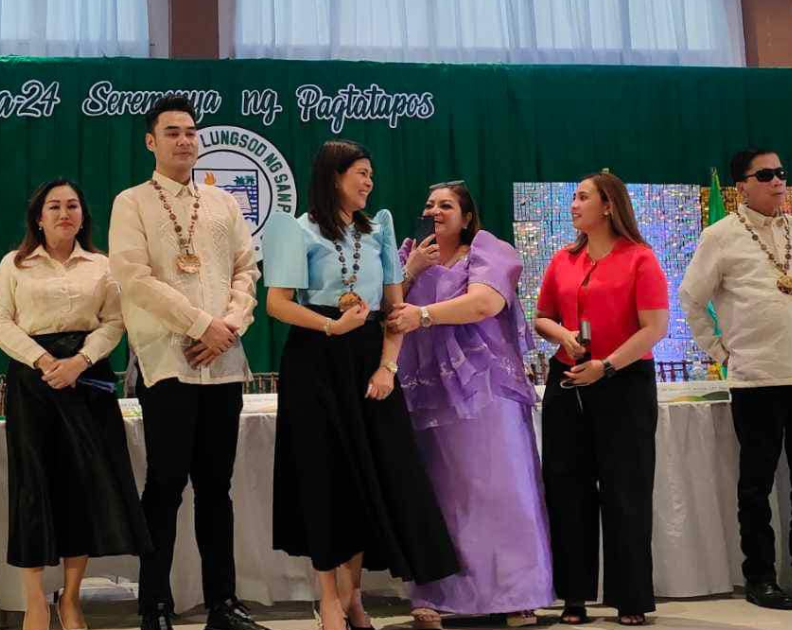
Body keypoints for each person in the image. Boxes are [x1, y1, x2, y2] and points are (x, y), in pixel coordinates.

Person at [263, 139, 459, 630]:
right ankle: (328, 597)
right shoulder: (298, 229)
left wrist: (386, 367)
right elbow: (277, 304)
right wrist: (329, 325)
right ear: (334, 177)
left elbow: (395, 312)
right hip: (315, 359)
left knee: (369, 476)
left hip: (368, 359)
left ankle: (351, 595)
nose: (369, 182)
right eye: (360, 173)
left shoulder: (379, 232)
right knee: (323, 476)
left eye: (371, 174)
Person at [108, 95, 264, 630]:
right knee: (165, 485)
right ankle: (154, 605)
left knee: (217, 488)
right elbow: (134, 278)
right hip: (168, 363)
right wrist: (202, 325)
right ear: (151, 141)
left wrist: (230, 327)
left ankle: (224, 604)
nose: (185, 140)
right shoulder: (131, 203)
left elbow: (248, 270)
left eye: (191, 131)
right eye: (172, 132)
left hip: (223, 362)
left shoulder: (224, 204)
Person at [680, 149, 792, 610]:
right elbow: (691, 300)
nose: (778, 181)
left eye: (781, 173)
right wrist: (720, 353)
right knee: (757, 484)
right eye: (767, 175)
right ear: (742, 185)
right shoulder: (719, 235)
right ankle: (759, 576)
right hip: (755, 378)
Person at [0, 178, 153, 630]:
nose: (64, 213)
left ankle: (73, 598)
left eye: (73, 206)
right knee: (33, 485)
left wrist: (78, 362)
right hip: (32, 381)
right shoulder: (14, 264)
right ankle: (35, 598)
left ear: (84, 215)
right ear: (38, 218)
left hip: (87, 381)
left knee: (82, 488)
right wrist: (44, 360)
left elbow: (116, 322)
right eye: (54, 207)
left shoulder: (102, 266)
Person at [386, 181, 552, 628]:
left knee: (500, 488)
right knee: (440, 493)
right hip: (429, 393)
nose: (434, 211)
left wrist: (423, 315)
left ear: (467, 216)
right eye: (429, 204)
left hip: (486, 390)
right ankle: (436, 593)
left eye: (446, 205)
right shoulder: (409, 256)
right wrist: (411, 273)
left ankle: (517, 594)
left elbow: (483, 303)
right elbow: (386, 310)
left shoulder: (489, 251)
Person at [533, 171, 669, 626]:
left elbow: (654, 328)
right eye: (573, 197)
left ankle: (630, 598)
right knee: (566, 488)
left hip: (623, 381)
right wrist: (564, 336)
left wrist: (606, 365)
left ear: (609, 205)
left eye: (582, 197)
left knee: (625, 491)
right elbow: (542, 318)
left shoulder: (640, 259)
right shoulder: (562, 260)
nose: (574, 205)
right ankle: (572, 596)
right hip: (567, 377)